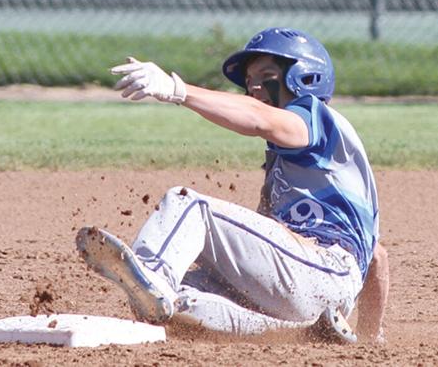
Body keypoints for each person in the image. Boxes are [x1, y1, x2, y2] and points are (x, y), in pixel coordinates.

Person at [76, 27, 388, 342]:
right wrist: (369, 339)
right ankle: (305, 335)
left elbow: (260, 119)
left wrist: (177, 89)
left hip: (321, 269)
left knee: (188, 204)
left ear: (305, 77)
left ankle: (152, 274)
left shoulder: (317, 119)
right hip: (313, 295)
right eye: (249, 79)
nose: (253, 86)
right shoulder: (296, 172)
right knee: (175, 300)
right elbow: (377, 258)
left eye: (266, 74)